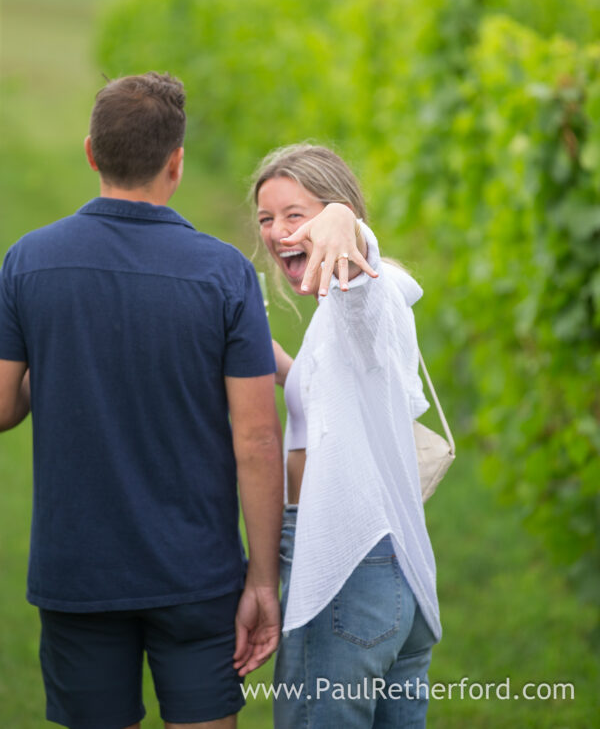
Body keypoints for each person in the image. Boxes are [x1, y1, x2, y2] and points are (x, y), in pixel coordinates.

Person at [0, 72, 283, 729]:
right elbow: (257, 439)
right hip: (199, 575)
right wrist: (262, 582)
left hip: (78, 574)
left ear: (91, 151)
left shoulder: (27, 262)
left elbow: (3, 407)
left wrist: (61, 359)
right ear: (176, 163)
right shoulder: (224, 274)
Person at [252, 143, 441, 728]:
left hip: (344, 567)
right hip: (394, 575)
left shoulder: (362, 291)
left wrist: (345, 223)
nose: (279, 232)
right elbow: (342, 390)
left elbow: (363, 282)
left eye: (296, 214)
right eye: (266, 218)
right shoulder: (351, 312)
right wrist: (281, 365)